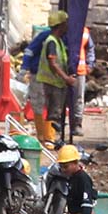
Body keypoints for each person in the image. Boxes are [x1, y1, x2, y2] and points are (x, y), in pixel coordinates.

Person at [28, 10, 75, 145]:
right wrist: (66, 78)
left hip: (55, 82)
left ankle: (48, 138)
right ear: (60, 25)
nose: (67, 26)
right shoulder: (52, 42)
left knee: (53, 110)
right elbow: (53, 63)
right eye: (65, 24)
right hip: (50, 82)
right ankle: (48, 139)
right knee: (52, 110)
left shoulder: (57, 41)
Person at [71, 27, 95, 137]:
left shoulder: (85, 31)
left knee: (79, 99)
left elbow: (90, 48)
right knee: (63, 98)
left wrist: (89, 64)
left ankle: (77, 124)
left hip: (80, 70)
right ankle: (59, 124)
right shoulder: (66, 29)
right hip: (65, 71)